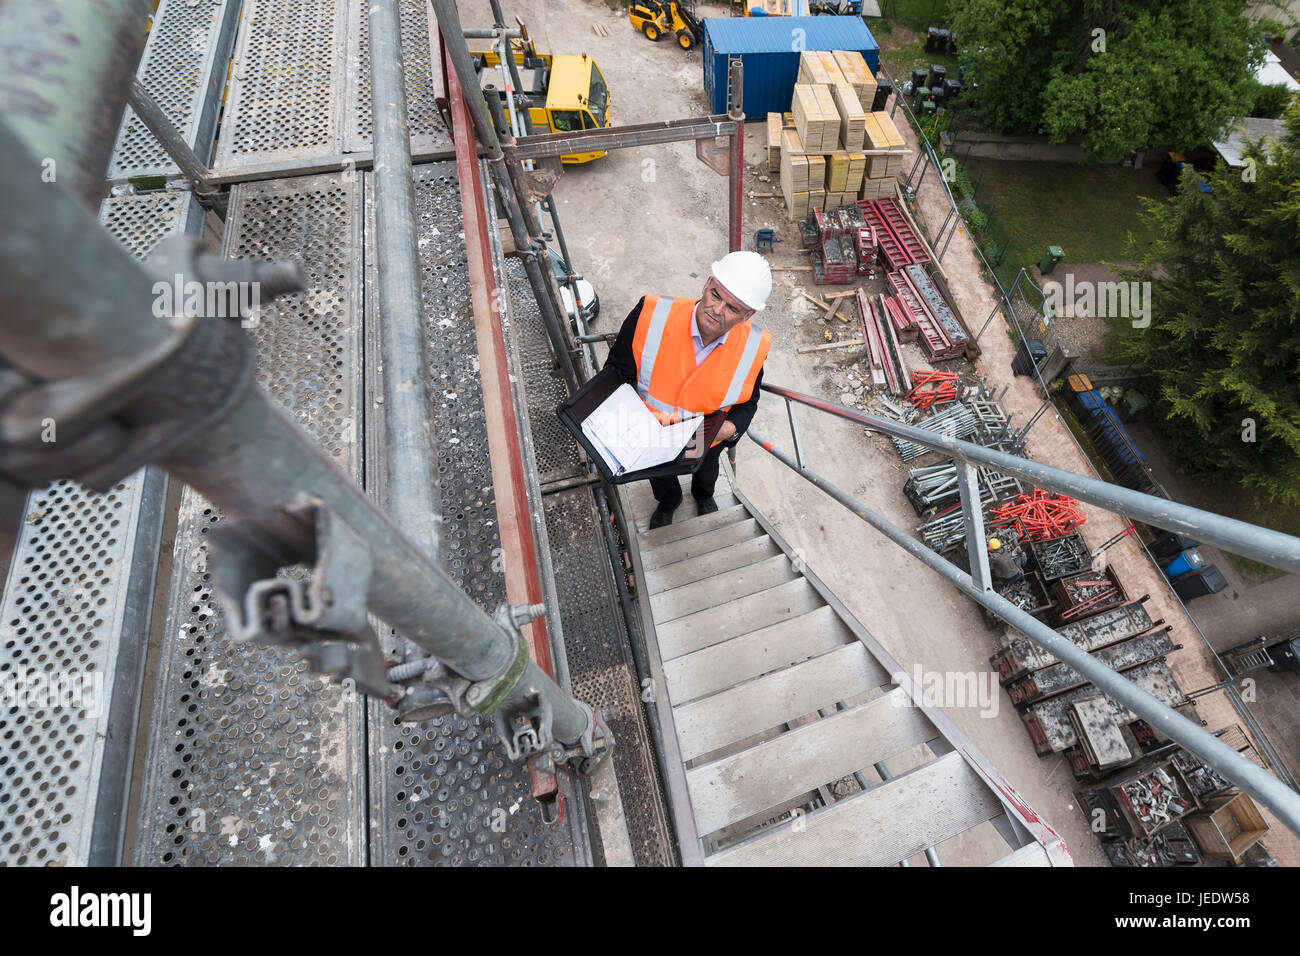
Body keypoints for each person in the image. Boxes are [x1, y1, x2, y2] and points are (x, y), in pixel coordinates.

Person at [604, 251, 773, 529]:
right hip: (653, 434)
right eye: (716, 295)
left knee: (706, 474)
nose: (717, 311)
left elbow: (748, 403)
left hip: (706, 439)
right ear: (706, 284)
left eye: (732, 308)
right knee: (659, 476)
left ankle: (702, 495)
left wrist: (724, 431)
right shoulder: (651, 314)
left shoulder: (753, 348)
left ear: (748, 315)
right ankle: (669, 501)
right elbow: (617, 372)